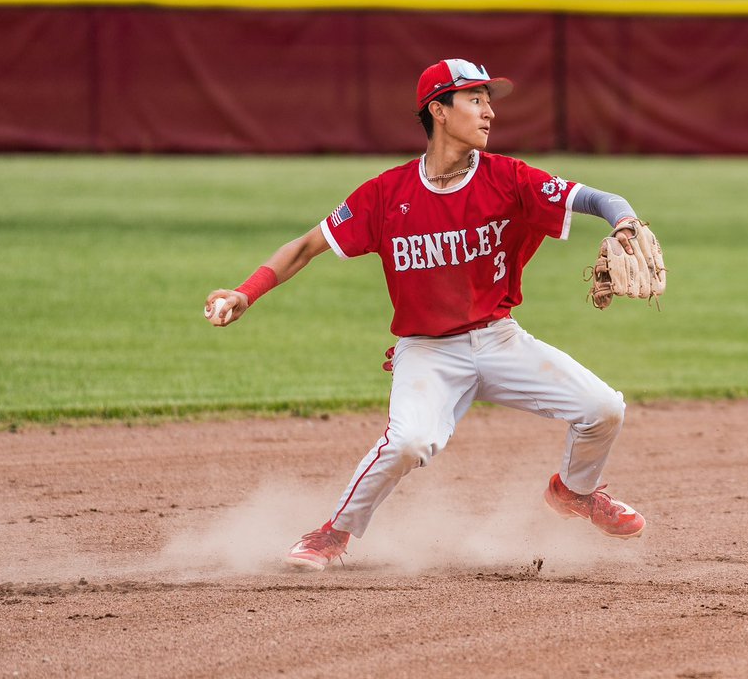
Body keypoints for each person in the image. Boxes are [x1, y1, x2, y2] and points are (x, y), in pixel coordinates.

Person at [205, 58, 647, 570]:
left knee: (604, 408)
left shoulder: (509, 178)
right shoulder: (386, 194)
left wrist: (625, 222)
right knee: (409, 441)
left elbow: (597, 197)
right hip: (428, 352)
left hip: (500, 341)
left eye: (489, 101)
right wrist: (246, 292)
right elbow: (306, 246)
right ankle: (332, 535)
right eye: (474, 100)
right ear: (438, 110)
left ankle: (574, 492)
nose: (488, 114)